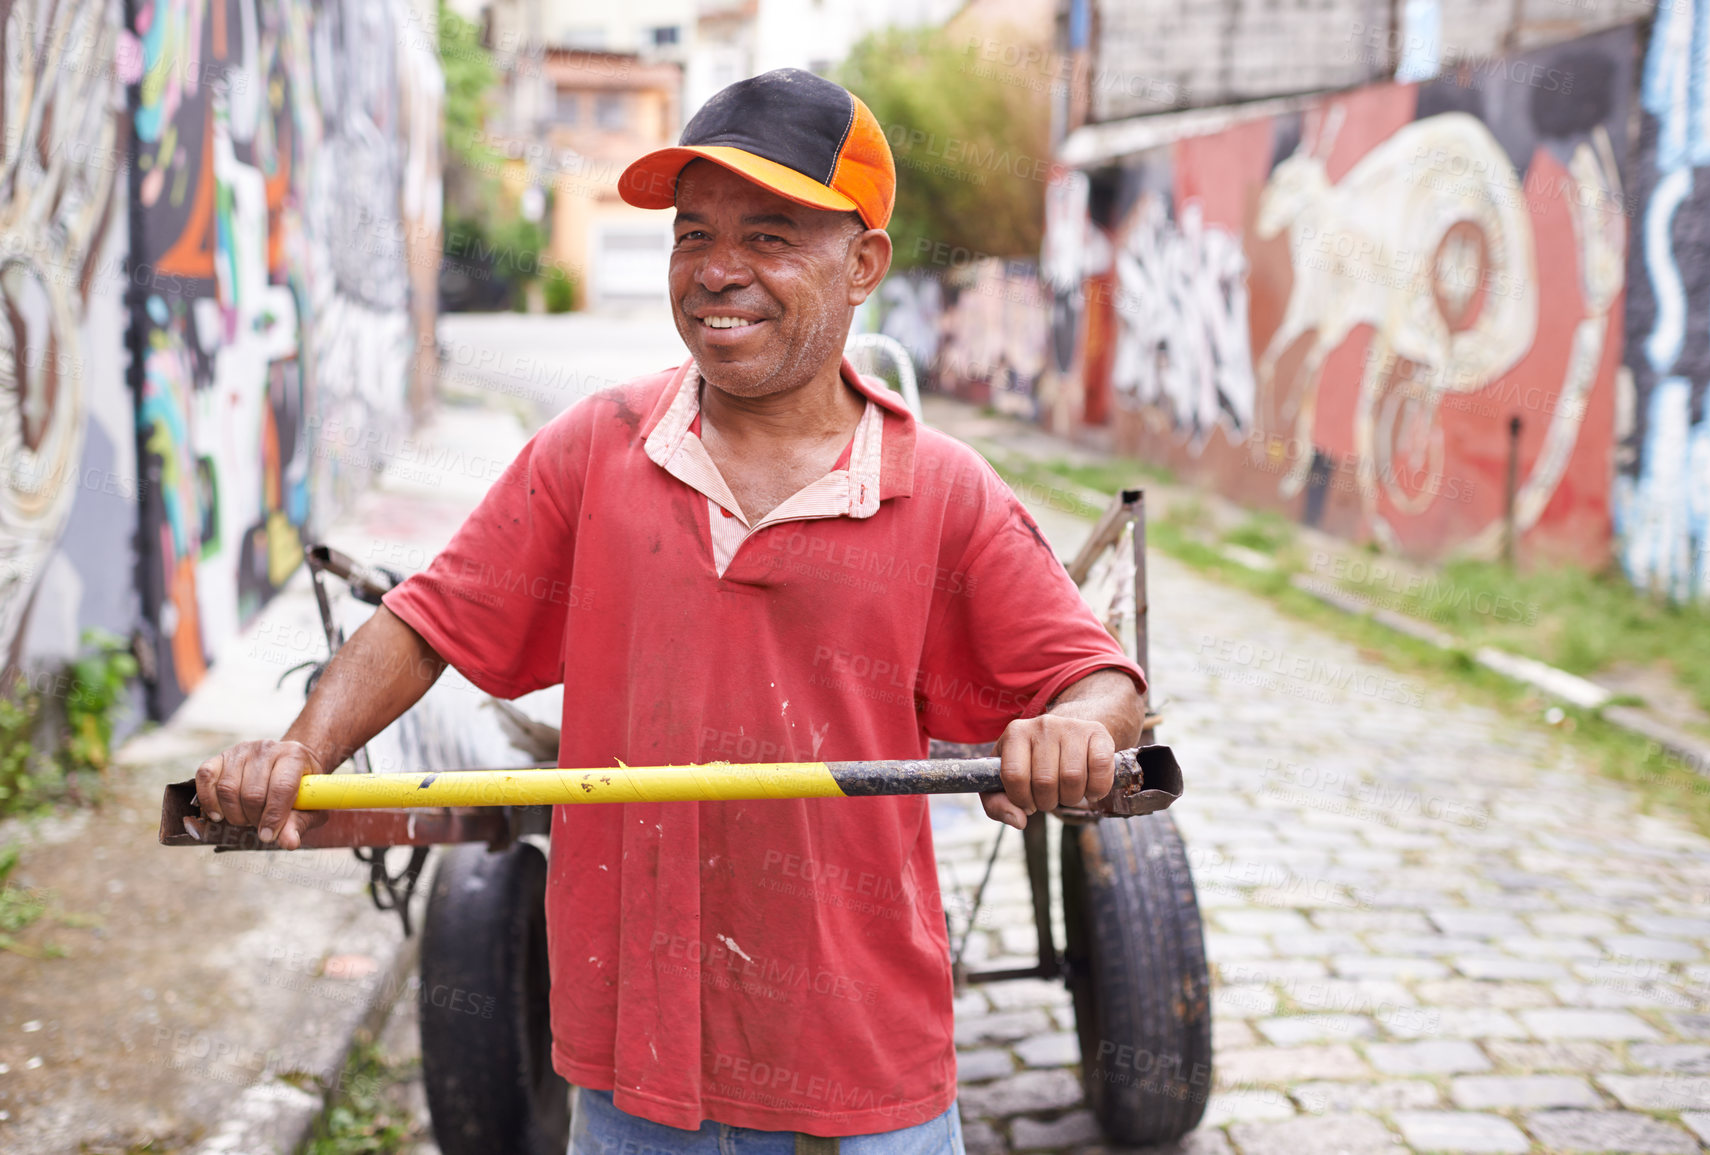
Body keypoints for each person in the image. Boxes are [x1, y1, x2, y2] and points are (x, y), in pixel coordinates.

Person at [195, 68, 1146, 1155]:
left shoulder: (943, 490)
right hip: (632, 1084)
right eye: (694, 236)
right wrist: (295, 753)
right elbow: (427, 621)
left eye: (772, 236)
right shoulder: (592, 450)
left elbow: (1098, 676)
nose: (718, 272)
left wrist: (1077, 725)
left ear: (864, 264)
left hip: (865, 1079)